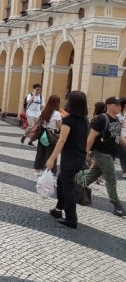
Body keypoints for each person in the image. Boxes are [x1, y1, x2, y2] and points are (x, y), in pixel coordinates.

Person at [46, 91, 89, 228]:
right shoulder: (85, 120)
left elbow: (62, 141)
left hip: (70, 157)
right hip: (80, 157)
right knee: (61, 181)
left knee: (68, 187)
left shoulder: (69, 120)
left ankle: (71, 218)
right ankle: (58, 208)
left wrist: (51, 159)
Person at [80, 96, 125, 217]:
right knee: (111, 178)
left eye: (120, 105)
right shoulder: (102, 118)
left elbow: (119, 137)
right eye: (117, 104)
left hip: (111, 153)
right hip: (102, 153)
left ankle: (72, 187)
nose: (119, 106)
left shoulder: (116, 119)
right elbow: (91, 136)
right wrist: (85, 153)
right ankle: (117, 205)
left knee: (91, 176)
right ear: (108, 105)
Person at [33, 95, 63, 174]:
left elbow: (37, 121)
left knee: (40, 151)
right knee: (51, 152)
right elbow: (59, 126)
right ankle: (50, 170)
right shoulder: (57, 113)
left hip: (43, 133)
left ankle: (37, 168)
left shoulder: (44, 111)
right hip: (51, 134)